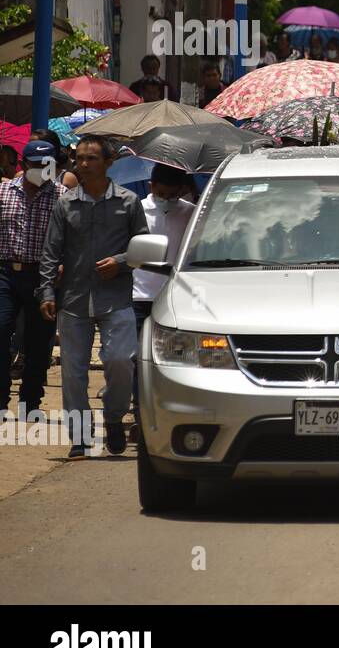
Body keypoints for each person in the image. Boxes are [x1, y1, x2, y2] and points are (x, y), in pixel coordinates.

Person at [39, 135, 148, 459]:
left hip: (116, 297)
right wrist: (46, 289)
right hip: (73, 300)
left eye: (91, 159)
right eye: (79, 159)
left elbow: (142, 246)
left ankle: (114, 417)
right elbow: (51, 251)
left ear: (108, 162)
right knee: (73, 372)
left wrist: (121, 261)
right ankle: (80, 438)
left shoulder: (129, 202)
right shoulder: (65, 203)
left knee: (119, 361)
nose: (83, 165)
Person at [0, 141, 64, 421]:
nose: (40, 170)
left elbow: (72, 239)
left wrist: (65, 263)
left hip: (44, 277)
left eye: (46, 165)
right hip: (5, 273)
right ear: (23, 165)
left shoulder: (63, 197)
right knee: (1, 332)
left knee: (38, 343)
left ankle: (30, 402)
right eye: (35, 165)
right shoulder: (3, 192)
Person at [131, 164, 196, 431]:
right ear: (151, 186)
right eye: (162, 194)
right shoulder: (136, 211)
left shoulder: (191, 213)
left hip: (174, 297)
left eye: (173, 195)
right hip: (139, 294)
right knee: (136, 359)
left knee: (175, 359)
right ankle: (139, 417)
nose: (167, 200)